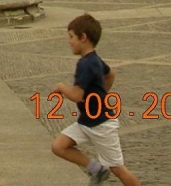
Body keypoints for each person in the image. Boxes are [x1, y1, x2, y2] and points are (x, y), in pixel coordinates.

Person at [51, 13, 141, 186]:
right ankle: (97, 170)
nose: (69, 41)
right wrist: (101, 95)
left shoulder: (85, 64)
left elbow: (76, 96)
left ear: (83, 37)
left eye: (71, 37)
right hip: (86, 122)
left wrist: (61, 87)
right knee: (59, 146)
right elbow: (110, 73)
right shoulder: (95, 59)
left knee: (117, 168)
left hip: (102, 125)